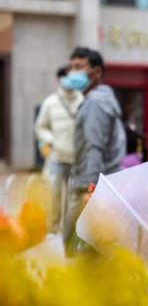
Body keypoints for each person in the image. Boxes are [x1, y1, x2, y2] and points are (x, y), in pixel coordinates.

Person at [63, 47, 125, 256]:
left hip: (91, 189)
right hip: (101, 186)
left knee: (79, 252)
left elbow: (94, 149)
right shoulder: (100, 100)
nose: (73, 73)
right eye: (71, 67)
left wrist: (90, 192)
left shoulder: (95, 104)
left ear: (97, 72)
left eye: (79, 67)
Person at [34, 65, 83, 232]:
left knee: (74, 196)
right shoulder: (50, 102)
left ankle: (69, 231)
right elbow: (40, 126)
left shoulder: (82, 101)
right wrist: (51, 140)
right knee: (54, 193)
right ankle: (53, 228)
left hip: (77, 158)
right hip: (56, 157)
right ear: (60, 79)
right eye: (69, 77)